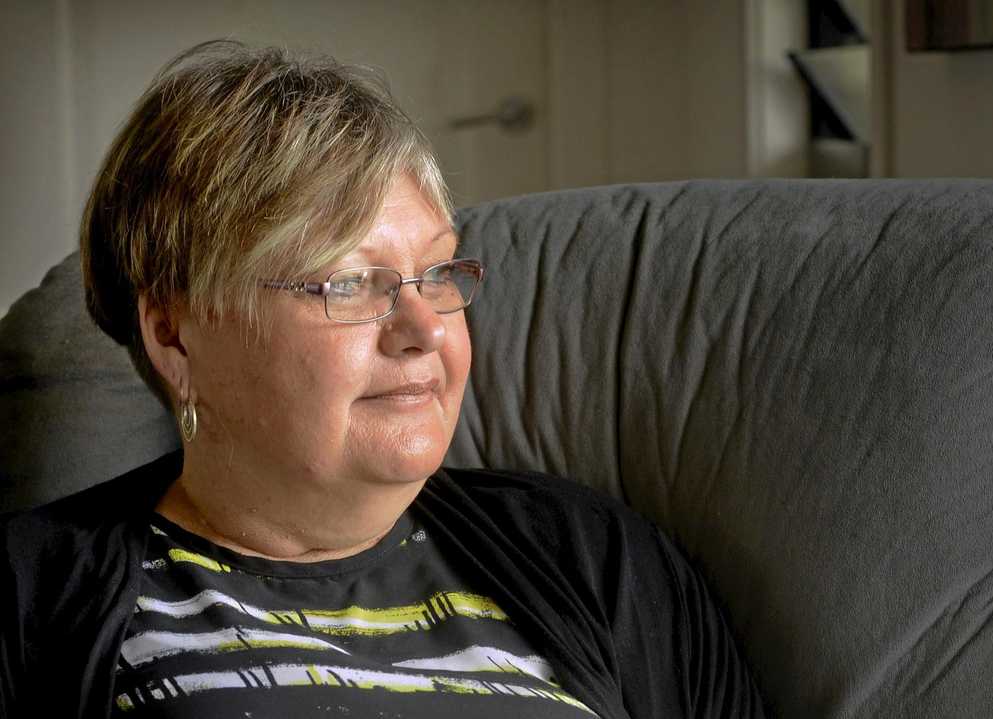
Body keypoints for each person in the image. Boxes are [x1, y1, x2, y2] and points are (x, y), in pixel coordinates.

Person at [0, 40, 764, 718]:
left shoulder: (595, 559)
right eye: (350, 283)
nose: (425, 328)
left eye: (437, 272)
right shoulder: (28, 597)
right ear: (176, 336)